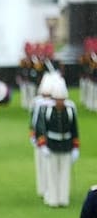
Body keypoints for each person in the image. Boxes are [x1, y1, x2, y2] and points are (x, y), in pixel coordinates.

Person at [35, 74, 79, 208]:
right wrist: (43, 145)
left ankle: (63, 198)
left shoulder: (70, 110)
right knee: (52, 172)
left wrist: (75, 147)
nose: (60, 102)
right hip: (52, 145)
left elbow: (74, 130)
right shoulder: (47, 111)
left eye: (62, 99)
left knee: (65, 173)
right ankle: (53, 198)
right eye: (58, 99)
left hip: (66, 145)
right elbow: (41, 129)